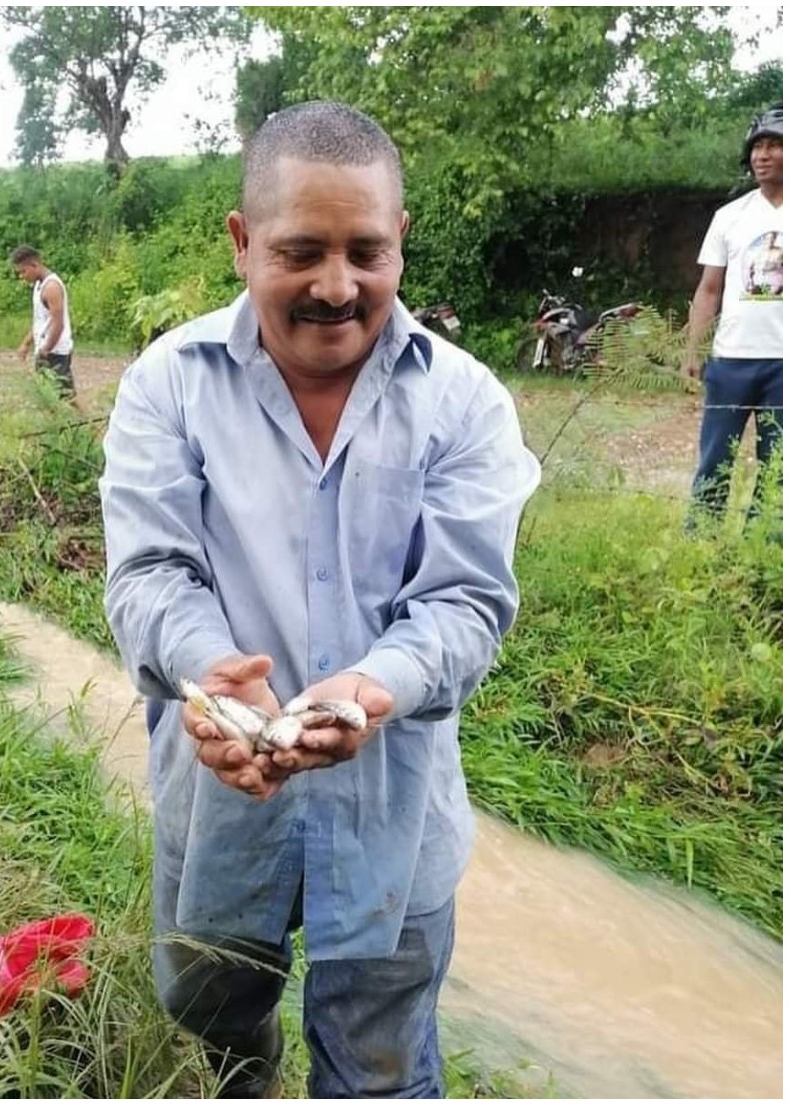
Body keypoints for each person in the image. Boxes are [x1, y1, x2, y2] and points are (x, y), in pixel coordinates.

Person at [100, 101, 539, 1098]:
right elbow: (149, 573)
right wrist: (206, 681)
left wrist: (374, 688)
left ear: (399, 243)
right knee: (212, 1020)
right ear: (240, 242)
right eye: (300, 250)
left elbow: (465, 602)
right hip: (214, 801)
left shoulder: (464, 401)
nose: (335, 286)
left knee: (376, 1066)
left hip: (392, 811)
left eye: (364, 252)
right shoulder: (167, 385)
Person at [683, 104, 782, 532]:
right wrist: (694, 347)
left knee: (778, 469)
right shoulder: (730, 217)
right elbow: (709, 289)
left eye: (774, 145)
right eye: (757, 147)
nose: (762, 155)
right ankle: (700, 543)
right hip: (730, 361)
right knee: (714, 460)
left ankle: (768, 553)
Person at [11, 244, 75, 401]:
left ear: (34, 264)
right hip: (45, 350)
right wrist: (26, 344)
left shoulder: (51, 287)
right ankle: (56, 424)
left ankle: (93, 424)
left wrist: (46, 350)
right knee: (47, 396)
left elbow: (58, 324)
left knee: (67, 396)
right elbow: (41, 322)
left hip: (55, 352)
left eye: (23, 271)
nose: (22, 276)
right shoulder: (39, 286)